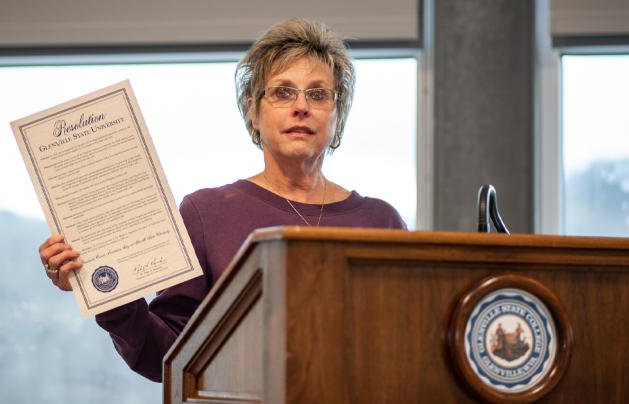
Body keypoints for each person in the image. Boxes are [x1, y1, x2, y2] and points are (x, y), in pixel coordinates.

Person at [39, 18, 407, 383]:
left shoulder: (382, 222)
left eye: (318, 94)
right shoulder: (205, 213)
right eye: (282, 92)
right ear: (253, 110)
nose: (301, 107)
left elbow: (408, 349)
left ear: (337, 114)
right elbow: (166, 358)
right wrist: (104, 289)